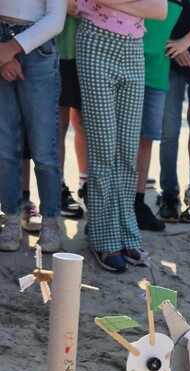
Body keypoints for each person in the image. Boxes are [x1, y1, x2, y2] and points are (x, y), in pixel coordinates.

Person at [76, 0, 167, 272]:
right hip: (95, 44)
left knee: (127, 151)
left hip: (133, 49)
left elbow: (159, 11)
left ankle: (126, 232)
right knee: (104, 150)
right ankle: (103, 237)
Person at [141, 0, 190, 229]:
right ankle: (169, 195)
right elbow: (157, 18)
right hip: (170, 62)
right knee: (169, 133)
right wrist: (176, 48)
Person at [0, 0, 66, 252]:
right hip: (1, 43)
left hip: (39, 51)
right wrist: (3, 55)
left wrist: (11, 48)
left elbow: (56, 20)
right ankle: (12, 217)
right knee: (5, 146)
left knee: (43, 145)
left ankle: (50, 219)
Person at [57, 12, 88, 218]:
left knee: (85, 121)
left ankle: (86, 184)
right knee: (59, 122)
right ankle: (57, 188)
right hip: (57, 51)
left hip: (91, 52)